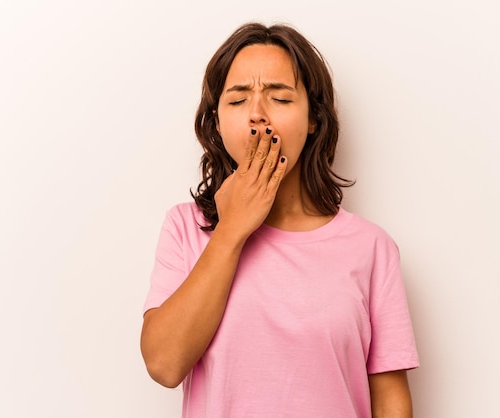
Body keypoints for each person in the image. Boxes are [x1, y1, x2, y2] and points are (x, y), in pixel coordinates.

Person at [140, 22, 419, 418]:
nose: (257, 115)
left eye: (280, 99)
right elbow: (164, 365)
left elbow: (390, 400)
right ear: (217, 123)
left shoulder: (371, 248)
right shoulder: (185, 229)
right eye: (237, 101)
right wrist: (232, 229)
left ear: (313, 119)